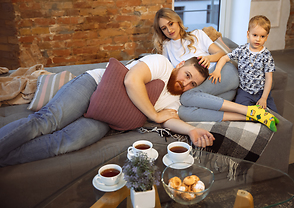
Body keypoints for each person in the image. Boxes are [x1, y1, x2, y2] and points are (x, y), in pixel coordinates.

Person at [0, 55, 214, 166]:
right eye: (187, 75)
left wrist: (191, 131)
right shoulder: (162, 64)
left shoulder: (175, 100)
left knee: (64, 143)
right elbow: (132, 80)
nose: (185, 84)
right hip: (94, 84)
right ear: (180, 65)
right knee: (46, 121)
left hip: (107, 115)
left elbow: (170, 120)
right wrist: (154, 115)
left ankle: (4, 159)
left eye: (192, 84)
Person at [153, 8, 240, 122]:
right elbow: (167, 73)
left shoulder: (197, 34)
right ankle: (248, 115)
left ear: (177, 21)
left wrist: (209, 58)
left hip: (220, 72)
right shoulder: (166, 47)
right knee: (184, 112)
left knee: (187, 98)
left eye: (171, 24)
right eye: (164, 28)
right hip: (206, 90)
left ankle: (248, 111)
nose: (169, 30)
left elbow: (221, 53)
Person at [209, 15, 278, 113]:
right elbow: (224, 57)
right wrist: (217, 70)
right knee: (241, 113)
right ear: (248, 34)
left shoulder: (266, 55)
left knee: (274, 115)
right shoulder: (242, 50)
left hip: (261, 92)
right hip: (244, 92)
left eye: (262, 36)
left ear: (266, 37)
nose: (258, 39)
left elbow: (269, 78)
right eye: (255, 35)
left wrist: (264, 98)